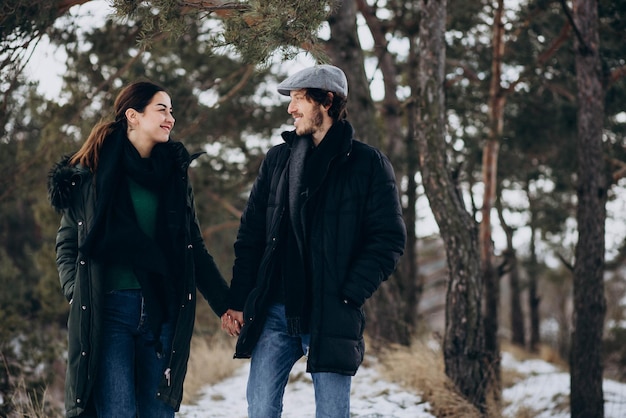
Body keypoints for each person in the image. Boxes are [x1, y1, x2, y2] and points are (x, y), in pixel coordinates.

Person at [221, 65, 407, 417]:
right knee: (260, 409)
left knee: (332, 413)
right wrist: (238, 300)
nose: (290, 109)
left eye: (298, 99)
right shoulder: (279, 160)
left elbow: (388, 239)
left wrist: (350, 292)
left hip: (331, 310)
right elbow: (251, 237)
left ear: (328, 100)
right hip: (275, 310)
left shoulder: (368, 164)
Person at [48, 80, 231, 417]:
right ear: (133, 115)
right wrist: (78, 291)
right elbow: (67, 245)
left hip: (162, 312)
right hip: (109, 313)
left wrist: (226, 304)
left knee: (158, 413)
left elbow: (193, 248)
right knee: (117, 411)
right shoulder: (90, 176)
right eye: (162, 109)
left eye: (171, 111)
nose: (170, 118)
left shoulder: (173, 176)